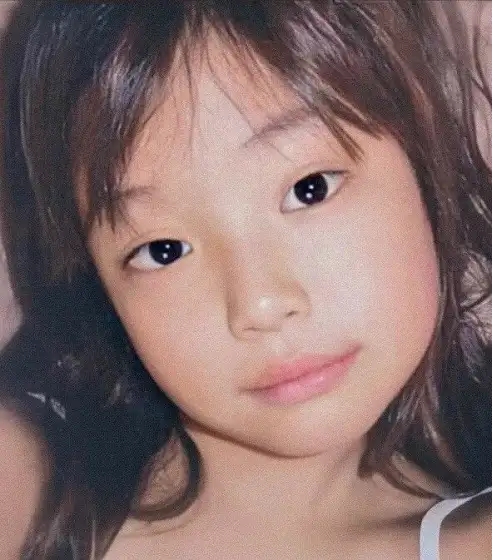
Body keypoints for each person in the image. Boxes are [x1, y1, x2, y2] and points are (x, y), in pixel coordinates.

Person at [0, 1, 492, 558]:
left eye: (310, 189)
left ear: (421, 152)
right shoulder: (34, 480)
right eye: (163, 250)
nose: (260, 304)